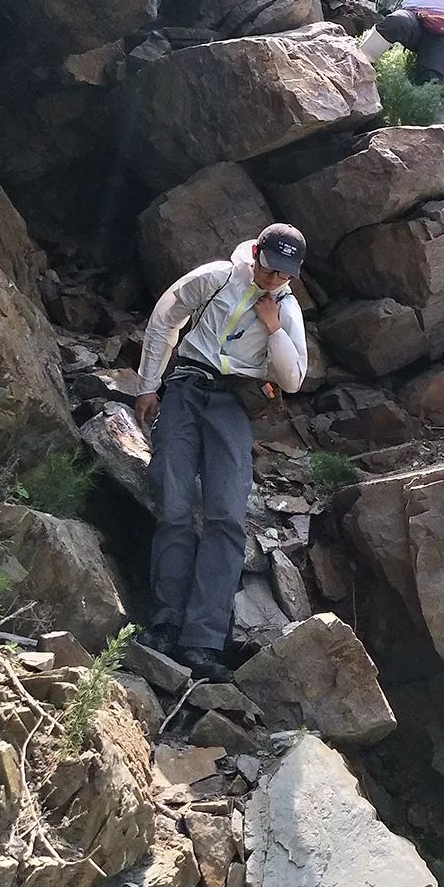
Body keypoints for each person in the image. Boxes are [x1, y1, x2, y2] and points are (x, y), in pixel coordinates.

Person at [133, 224, 308, 681]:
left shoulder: (287, 309)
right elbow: (165, 316)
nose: (273, 279)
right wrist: (148, 385)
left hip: (234, 402)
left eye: (283, 274)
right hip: (186, 386)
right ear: (256, 252)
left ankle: (204, 640)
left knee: (226, 517)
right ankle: (165, 622)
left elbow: (292, 378)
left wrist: (273, 327)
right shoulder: (216, 277)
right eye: (269, 268)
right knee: (173, 503)